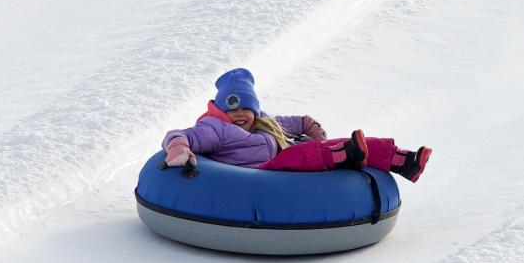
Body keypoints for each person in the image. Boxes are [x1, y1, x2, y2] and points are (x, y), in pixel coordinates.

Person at [161, 68, 431, 182]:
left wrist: (315, 134)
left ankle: (402, 160)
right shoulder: (216, 128)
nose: (240, 115)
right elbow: (181, 135)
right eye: (232, 110)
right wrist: (178, 148)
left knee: (335, 146)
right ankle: (342, 154)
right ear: (221, 111)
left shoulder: (265, 124)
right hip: (255, 177)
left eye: (246, 108)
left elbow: (301, 122)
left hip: (276, 173)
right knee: (295, 156)